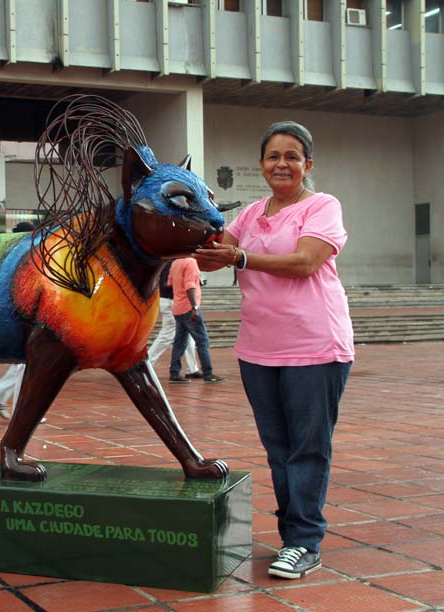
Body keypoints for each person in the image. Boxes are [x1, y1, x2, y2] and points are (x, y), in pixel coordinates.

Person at [194, 120, 354, 580]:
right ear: (262, 164)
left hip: (315, 346)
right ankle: (292, 537)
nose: (281, 164)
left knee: (307, 448)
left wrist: (241, 258)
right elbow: (214, 253)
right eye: (273, 156)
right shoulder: (250, 214)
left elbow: (305, 262)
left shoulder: (322, 206)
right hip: (259, 349)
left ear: (308, 164)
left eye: (291, 156)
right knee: (278, 448)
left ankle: (304, 542)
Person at [0, 221, 45, 422]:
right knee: (27, 363)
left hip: (10, 314)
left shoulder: (9, 253)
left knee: (24, 362)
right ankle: (22, 411)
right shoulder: (25, 255)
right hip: (19, 315)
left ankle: (0, 393)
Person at [166, 257, 226, 384]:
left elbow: (170, 283)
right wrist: (195, 307)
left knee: (179, 343)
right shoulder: (190, 262)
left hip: (178, 307)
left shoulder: (175, 262)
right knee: (202, 341)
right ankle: (208, 373)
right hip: (189, 308)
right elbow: (189, 286)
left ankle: (174, 373)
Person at [148, 260, 202, 379]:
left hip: (171, 301)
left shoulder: (171, 262)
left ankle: (192, 368)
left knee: (188, 336)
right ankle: (147, 363)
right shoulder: (177, 262)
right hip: (172, 301)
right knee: (167, 335)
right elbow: (169, 284)